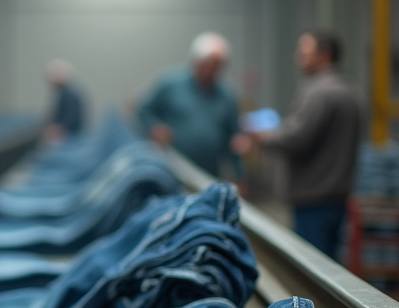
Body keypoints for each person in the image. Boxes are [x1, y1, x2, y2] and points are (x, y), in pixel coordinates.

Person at [233, 30, 363, 258]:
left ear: (325, 55)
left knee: (316, 269)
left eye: (305, 52)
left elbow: (295, 139)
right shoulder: (351, 91)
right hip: (338, 197)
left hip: (313, 199)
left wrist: (261, 136)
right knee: (331, 266)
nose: (298, 57)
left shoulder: (319, 93)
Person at [137, 32, 241, 177]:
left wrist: (240, 173)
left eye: (217, 65)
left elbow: (234, 138)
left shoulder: (227, 95)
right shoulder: (170, 84)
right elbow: (143, 109)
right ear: (195, 61)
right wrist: (154, 126)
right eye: (208, 63)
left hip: (209, 171)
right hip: (173, 167)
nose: (211, 70)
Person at [43, 59, 85, 142]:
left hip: (71, 138)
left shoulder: (69, 94)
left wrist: (53, 130)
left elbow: (70, 121)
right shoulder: (65, 93)